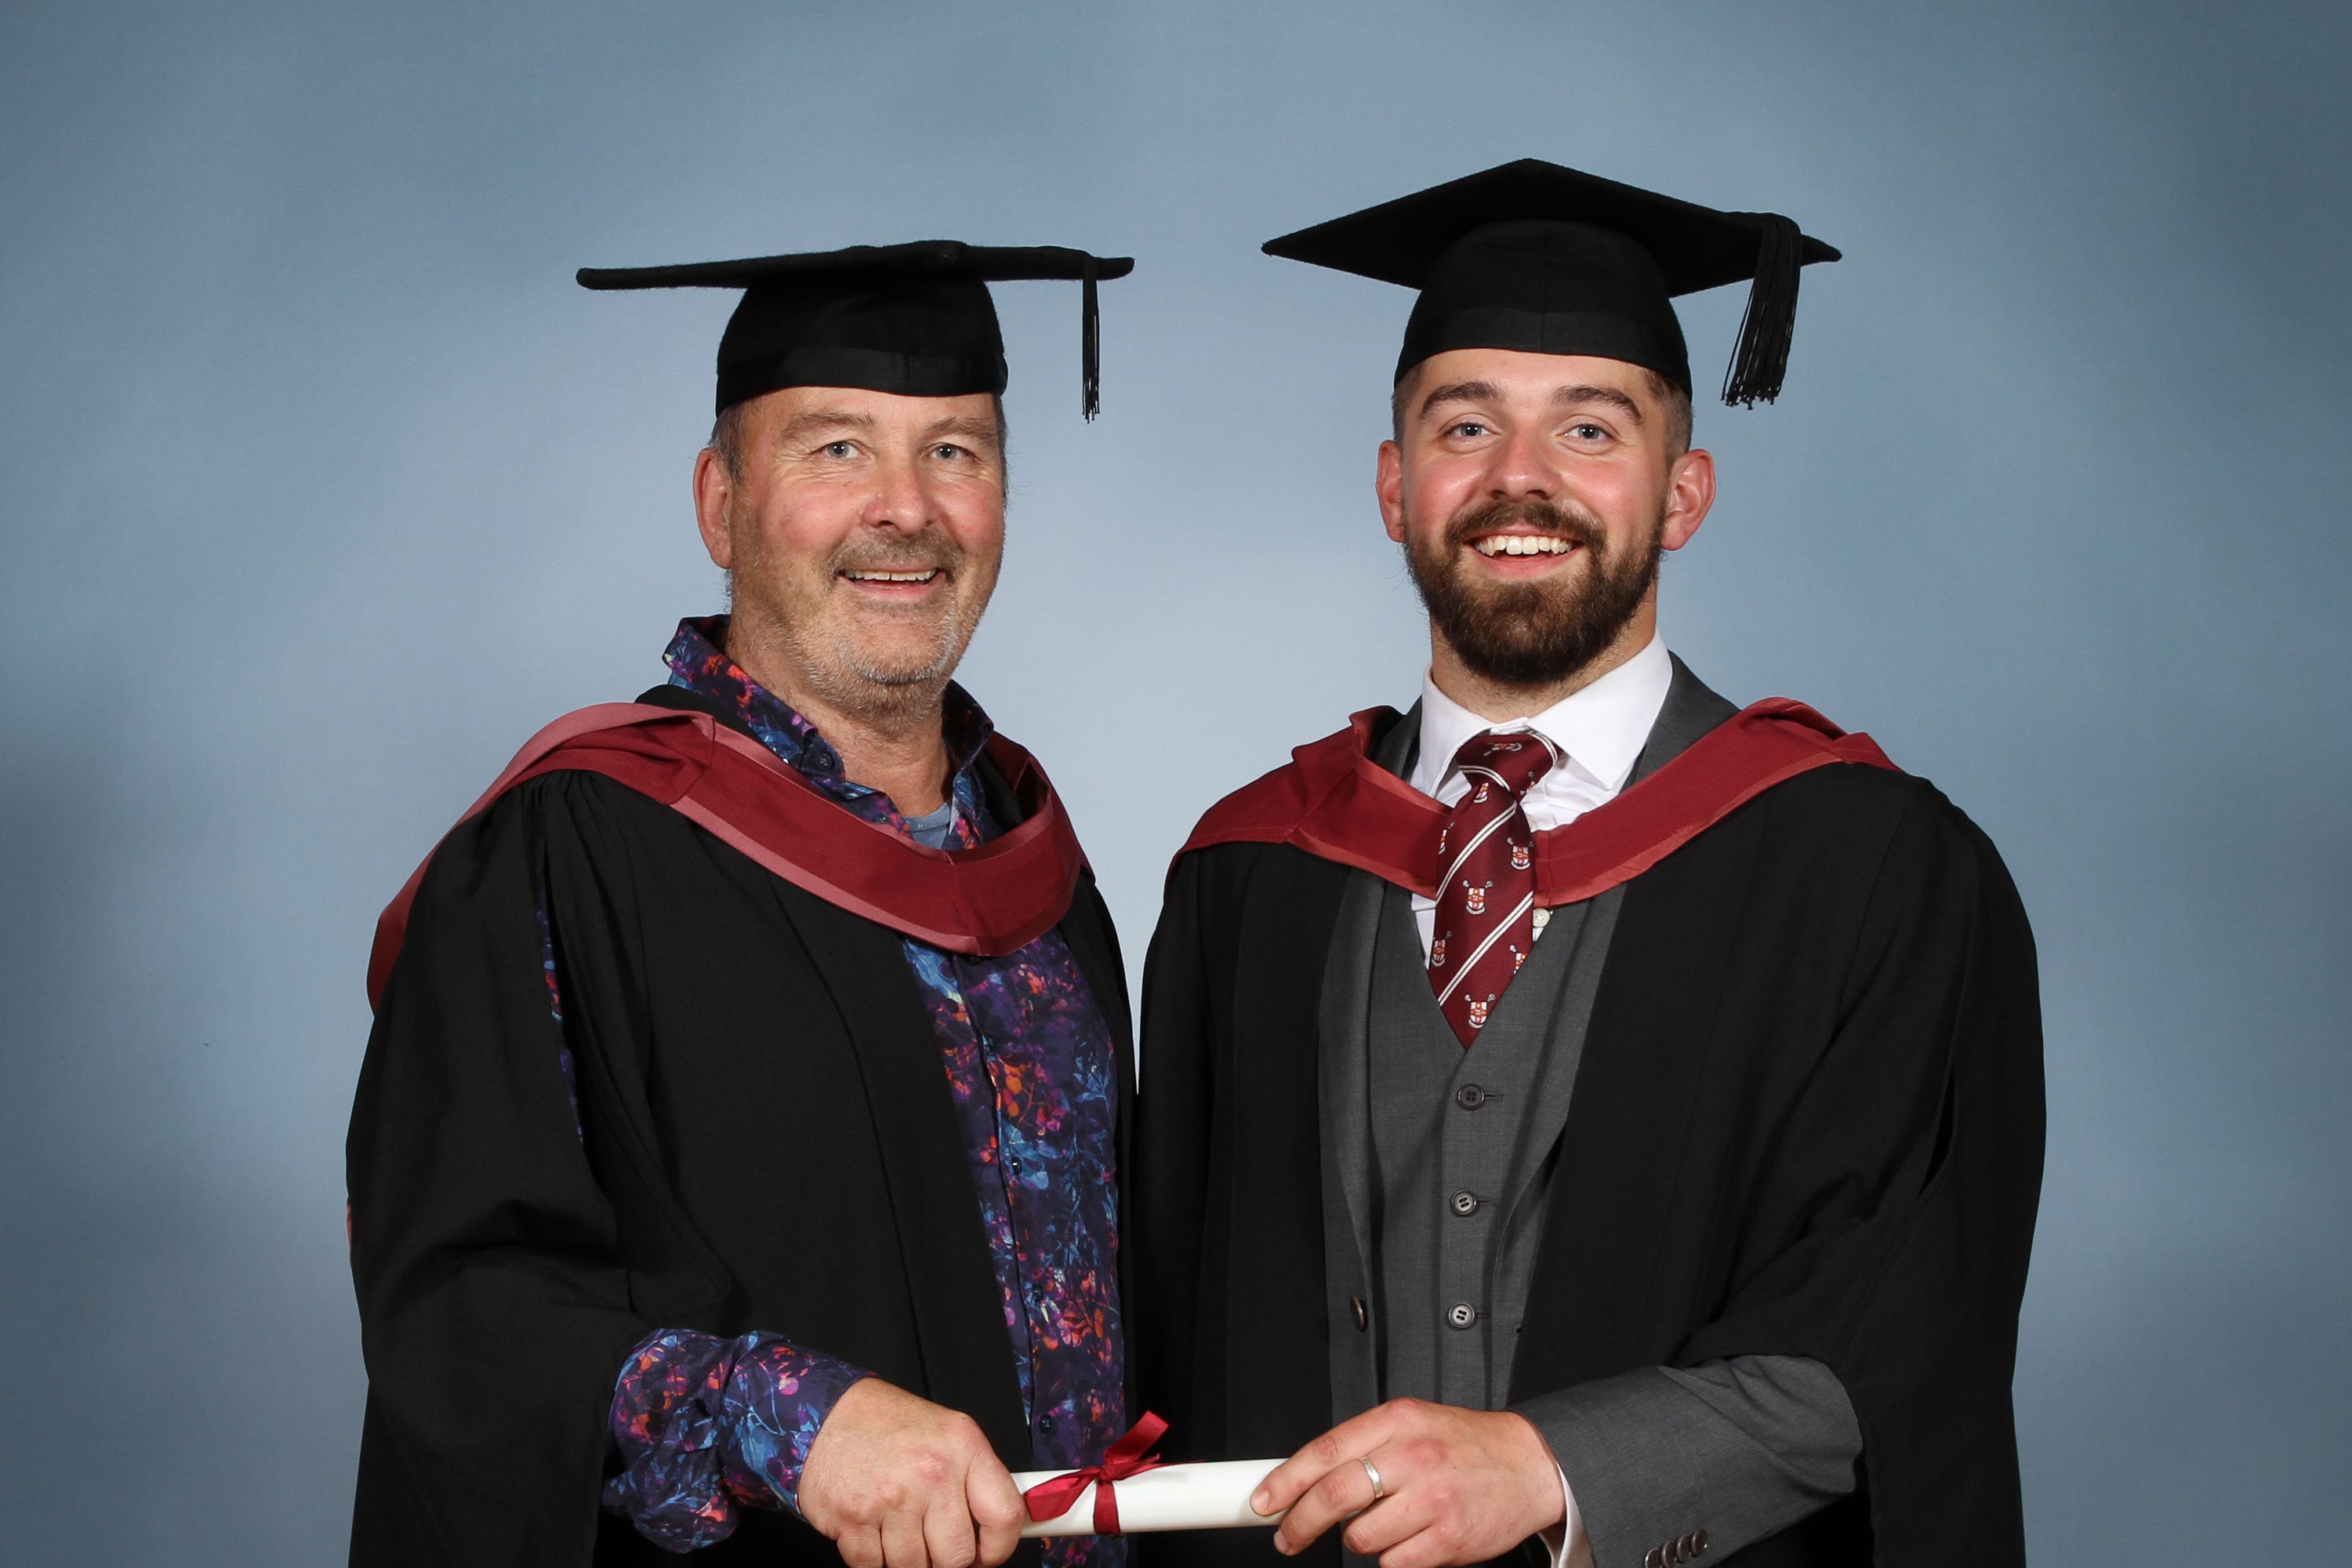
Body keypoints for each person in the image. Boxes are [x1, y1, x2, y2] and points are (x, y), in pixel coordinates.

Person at [1132, 162, 2043, 1568]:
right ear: (1394, 485)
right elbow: (1171, 1338)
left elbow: (1900, 1320)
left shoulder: (1868, 867)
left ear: (1683, 495)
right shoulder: (1251, 875)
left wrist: (1555, 1467)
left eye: (1590, 430)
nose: (1520, 478)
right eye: (1466, 422)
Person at [347, 240, 1140, 1567]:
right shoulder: (571, 850)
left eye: (955, 451)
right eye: (836, 451)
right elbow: (461, 1308)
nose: (907, 508)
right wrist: (790, 1419)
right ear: (721, 505)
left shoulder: (1045, 881)